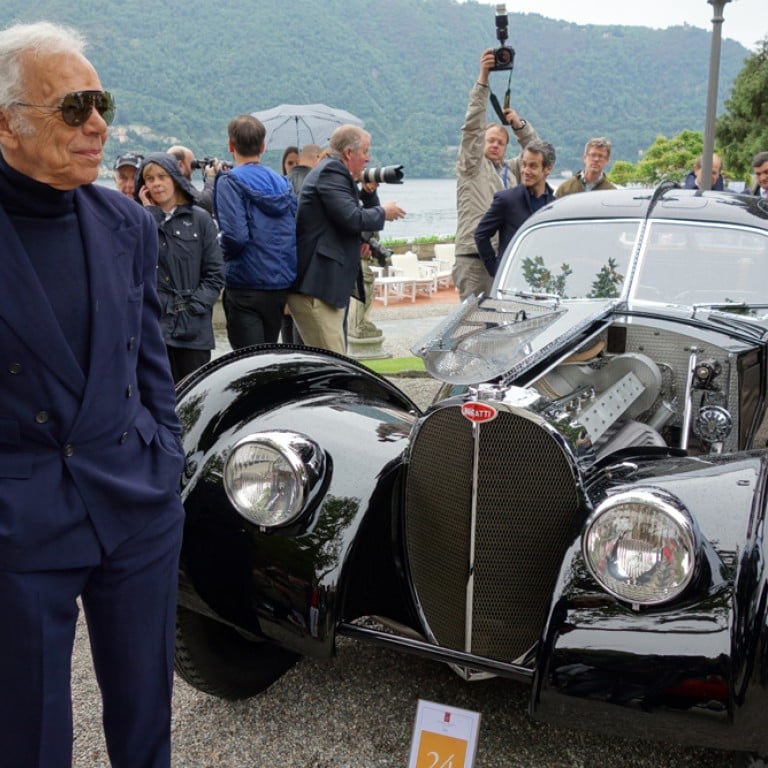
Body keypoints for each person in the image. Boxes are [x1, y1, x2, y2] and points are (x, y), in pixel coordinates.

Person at [0, 20, 185, 768]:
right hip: (20, 519)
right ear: (8, 125)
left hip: (135, 498)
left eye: (100, 104)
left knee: (146, 721)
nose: (99, 125)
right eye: (73, 108)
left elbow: (151, 359)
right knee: (29, 733)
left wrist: (166, 457)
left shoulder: (128, 223)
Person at [287, 124, 405, 354]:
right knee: (334, 362)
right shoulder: (331, 172)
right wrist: (383, 212)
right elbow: (352, 217)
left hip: (324, 288)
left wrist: (369, 195)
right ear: (349, 153)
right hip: (317, 288)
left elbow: (350, 223)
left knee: (331, 361)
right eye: (365, 152)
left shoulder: (331, 172)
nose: (368, 159)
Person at [454, 48, 539, 301]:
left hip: (505, 255)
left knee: (503, 318)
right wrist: (483, 79)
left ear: (505, 147)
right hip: (473, 256)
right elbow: (472, 128)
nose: (494, 145)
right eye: (490, 140)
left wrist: (520, 127)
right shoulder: (471, 166)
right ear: (481, 142)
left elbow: (538, 155)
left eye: (500, 142)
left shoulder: (513, 170)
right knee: (473, 320)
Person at [135, 153, 224, 382]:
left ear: (174, 178)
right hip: (154, 327)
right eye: (150, 179)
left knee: (193, 392)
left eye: (162, 176)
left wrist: (193, 308)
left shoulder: (200, 219)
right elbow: (135, 266)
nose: (156, 183)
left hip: (193, 330)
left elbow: (215, 274)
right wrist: (150, 216)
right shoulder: (140, 220)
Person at [215, 114, 297, 347]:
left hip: (245, 282)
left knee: (248, 360)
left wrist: (220, 251)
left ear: (231, 145)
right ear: (262, 146)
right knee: (268, 354)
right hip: (278, 283)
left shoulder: (229, 182)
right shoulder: (283, 184)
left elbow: (235, 236)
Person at [475, 140, 557, 276]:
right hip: (512, 279)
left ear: (547, 169)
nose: (525, 171)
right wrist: (497, 270)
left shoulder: (554, 205)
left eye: (533, 166)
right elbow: (481, 235)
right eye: (524, 164)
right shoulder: (507, 199)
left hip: (543, 279)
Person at [168, 143, 215, 214]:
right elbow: (205, 203)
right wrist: (211, 177)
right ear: (180, 165)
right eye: (192, 165)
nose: (194, 169)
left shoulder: (167, 181)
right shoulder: (178, 183)